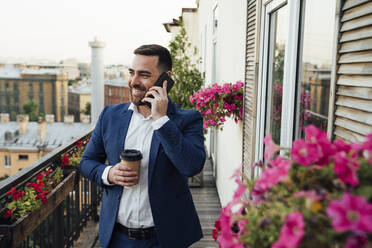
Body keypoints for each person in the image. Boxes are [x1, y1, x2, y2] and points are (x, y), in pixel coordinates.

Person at [80, 44, 206, 248]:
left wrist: (161, 120)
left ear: (166, 78)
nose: (134, 82)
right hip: (117, 238)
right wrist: (109, 173)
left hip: (166, 239)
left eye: (144, 75)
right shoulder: (110, 116)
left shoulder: (188, 120)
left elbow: (191, 166)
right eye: (132, 73)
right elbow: (86, 162)